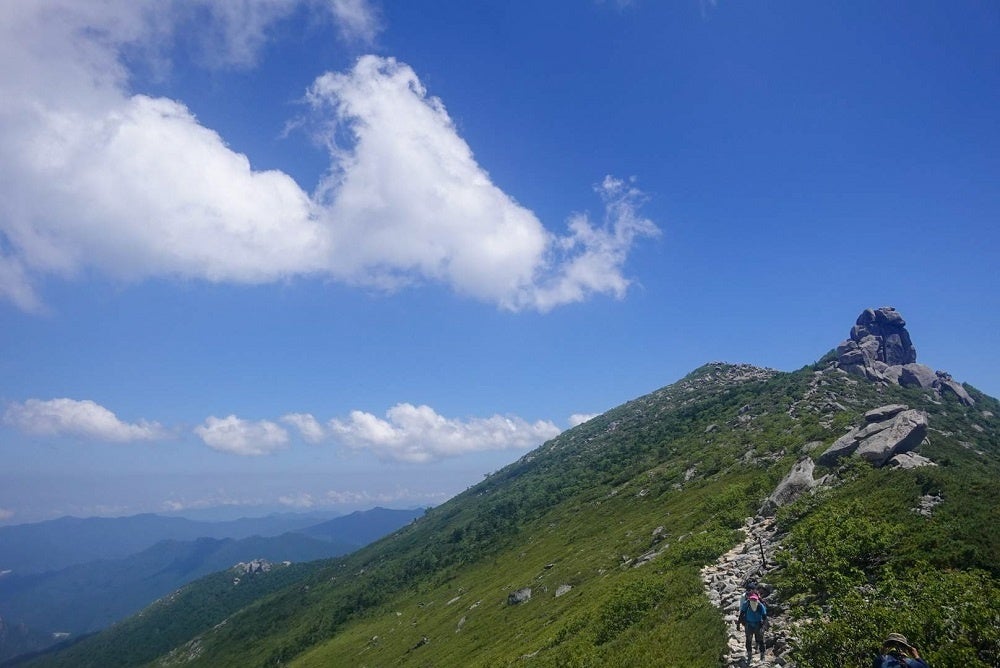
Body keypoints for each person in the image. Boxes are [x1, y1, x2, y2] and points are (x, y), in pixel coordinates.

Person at [736, 592, 767, 663]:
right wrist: (738, 624)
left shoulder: (760, 606)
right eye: (752, 599)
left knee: (760, 640)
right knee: (748, 640)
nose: (753, 601)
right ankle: (749, 656)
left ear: (757, 600)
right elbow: (742, 614)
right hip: (748, 624)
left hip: (758, 624)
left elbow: (765, 617)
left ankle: (762, 657)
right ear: (749, 599)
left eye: (755, 600)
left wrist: (764, 627)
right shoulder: (746, 604)